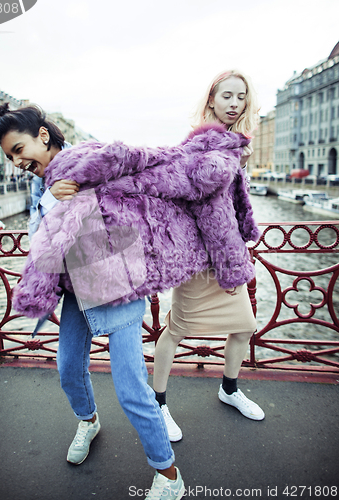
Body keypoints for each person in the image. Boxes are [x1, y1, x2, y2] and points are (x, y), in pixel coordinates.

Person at [0, 103, 187, 500]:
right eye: (10, 157)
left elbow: (125, 202)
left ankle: (169, 475)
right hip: (76, 290)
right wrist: (51, 204)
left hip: (116, 287)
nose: (16, 161)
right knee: (67, 368)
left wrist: (73, 196)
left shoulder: (89, 162)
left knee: (131, 388)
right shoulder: (41, 182)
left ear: (43, 136)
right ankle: (89, 421)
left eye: (18, 149)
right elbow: (39, 236)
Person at [152, 70, 265, 444]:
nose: (234, 104)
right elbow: (198, 195)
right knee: (176, 330)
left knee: (245, 326)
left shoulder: (233, 143)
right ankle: (159, 403)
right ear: (212, 100)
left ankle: (229, 390)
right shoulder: (202, 143)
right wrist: (233, 161)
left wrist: (239, 161)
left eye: (241, 97)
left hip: (227, 254)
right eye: (227, 96)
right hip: (202, 258)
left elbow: (230, 201)